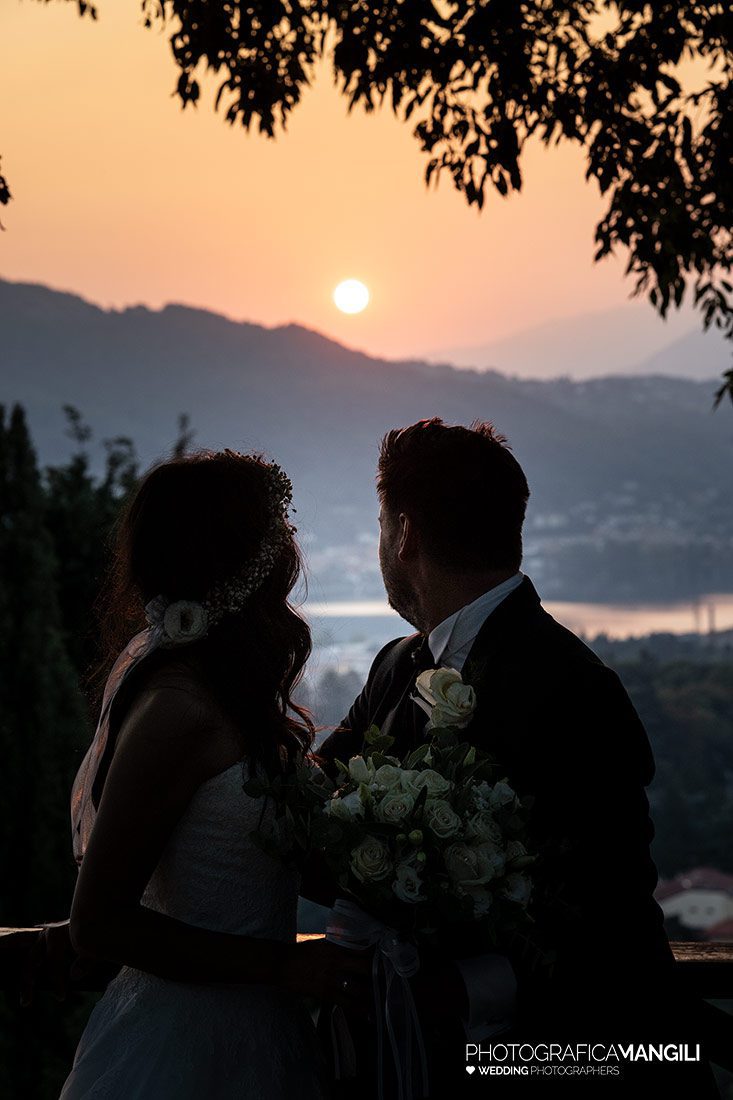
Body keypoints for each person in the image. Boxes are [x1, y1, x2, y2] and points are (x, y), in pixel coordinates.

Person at [315, 418, 721, 1098]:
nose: (381, 545)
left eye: (381, 526)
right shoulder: (394, 666)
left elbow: (607, 914)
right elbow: (316, 799)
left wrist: (457, 989)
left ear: (404, 533)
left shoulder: (575, 688)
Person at [58, 449, 370, 1099]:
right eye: (279, 542)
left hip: (260, 1032)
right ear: (253, 567)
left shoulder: (223, 691)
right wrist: (284, 965)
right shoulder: (178, 707)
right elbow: (99, 923)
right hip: (183, 1049)